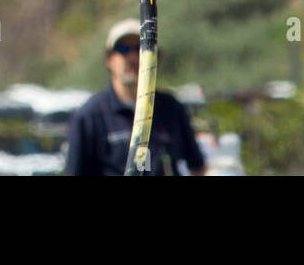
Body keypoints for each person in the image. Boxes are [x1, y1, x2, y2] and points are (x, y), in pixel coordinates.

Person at [65, 18, 206, 176]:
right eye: (123, 49)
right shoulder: (89, 116)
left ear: (156, 58)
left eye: (140, 48)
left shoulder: (171, 108)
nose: (133, 57)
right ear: (109, 59)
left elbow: (197, 165)